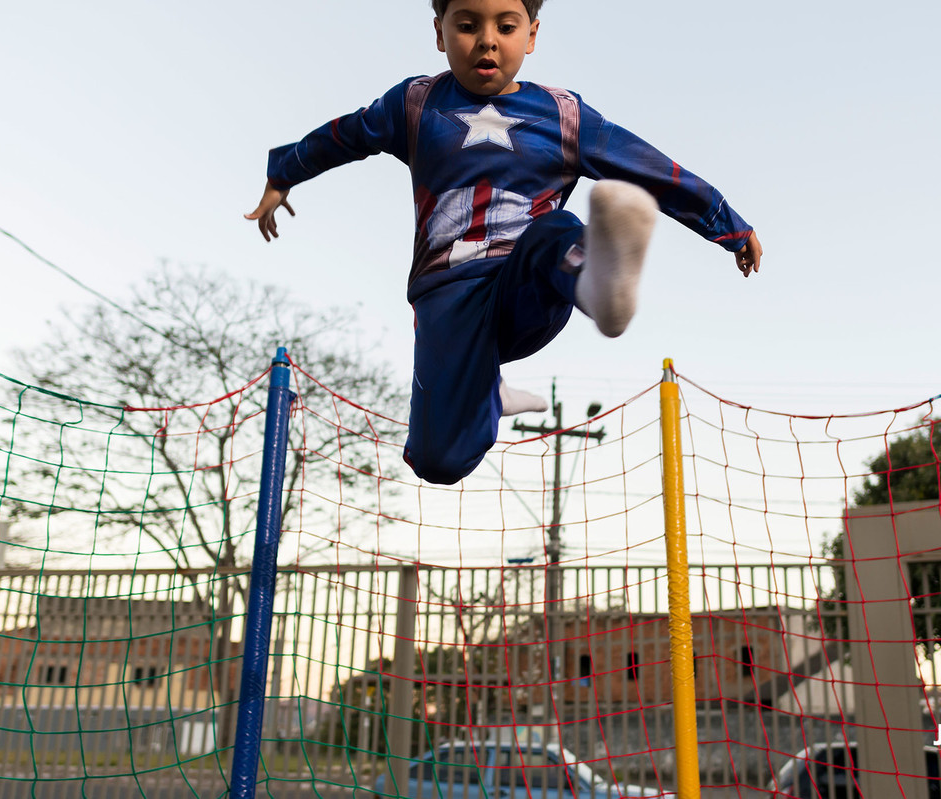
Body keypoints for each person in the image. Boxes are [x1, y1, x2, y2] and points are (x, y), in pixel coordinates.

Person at [246, 0, 762, 485]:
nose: (486, 42)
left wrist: (727, 224)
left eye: (506, 27)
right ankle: (488, 393)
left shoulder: (563, 115)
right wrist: (283, 173)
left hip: (527, 285)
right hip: (447, 298)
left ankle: (598, 282)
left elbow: (648, 165)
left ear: (532, 35)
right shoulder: (416, 104)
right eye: (468, 26)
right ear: (439, 32)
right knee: (437, 461)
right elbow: (347, 134)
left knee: (552, 233)